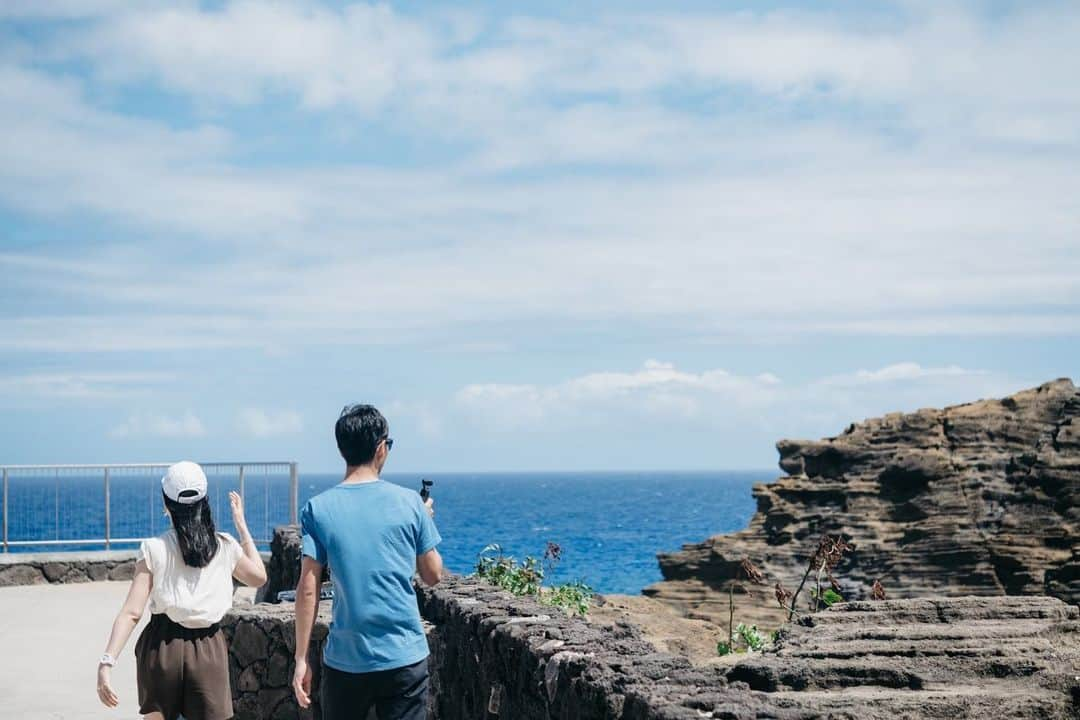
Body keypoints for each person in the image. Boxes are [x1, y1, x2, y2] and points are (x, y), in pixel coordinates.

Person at [293, 405, 443, 720]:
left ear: (341, 448)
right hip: (404, 655)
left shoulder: (317, 509)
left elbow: (309, 588)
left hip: (345, 660)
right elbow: (433, 575)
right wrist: (425, 521)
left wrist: (301, 659)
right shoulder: (410, 503)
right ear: (380, 449)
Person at [96, 461, 268, 720]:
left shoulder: (154, 549)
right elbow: (259, 577)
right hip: (208, 648)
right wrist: (241, 526)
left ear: (167, 504)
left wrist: (107, 661)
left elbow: (132, 612)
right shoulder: (225, 546)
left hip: (162, 646)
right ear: (204, 501)